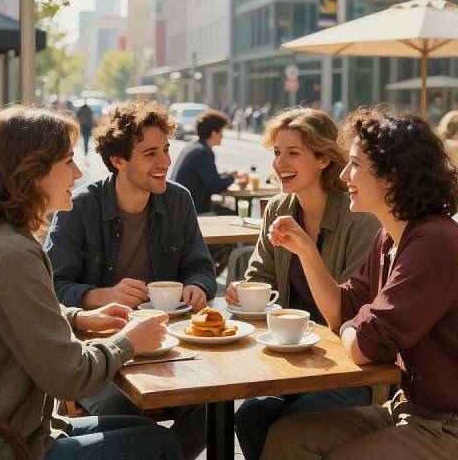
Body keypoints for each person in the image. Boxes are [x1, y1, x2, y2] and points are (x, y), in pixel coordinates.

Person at [0, 105, 182, 460]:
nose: (78, 172)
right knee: (160, 444)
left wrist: (76, 318)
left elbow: (10, 313)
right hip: (0, 445)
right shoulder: (12, 254)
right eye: (68, 162)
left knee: (147, 432)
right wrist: (129, 342)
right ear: (33, 172)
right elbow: (71, 378)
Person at [262, 104, 458, 459]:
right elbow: (344, 311)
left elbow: (361, 345)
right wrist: (307, 251)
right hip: (409, 409)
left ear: (391, 174)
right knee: (287, 436)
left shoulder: (435, 243)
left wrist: (355, 325)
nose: (343, 176)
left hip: (448, 425)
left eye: (355, 165)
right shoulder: (390, 237)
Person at [45, 99, 215, 459]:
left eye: (166, 150)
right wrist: (101, 294)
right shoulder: (79, 207)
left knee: (214, 406)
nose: (165, 162)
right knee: (123, 412)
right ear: (119, 160)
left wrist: (197, 287)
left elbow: (201, 266)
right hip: (99, 352)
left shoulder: (179, 200)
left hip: (168, 347)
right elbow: (51, 290)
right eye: (151, 153)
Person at [225, 107, 380, 460]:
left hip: (348, 368)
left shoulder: (358, 217)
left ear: (324, 159)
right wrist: (244, 293)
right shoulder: (278, 207)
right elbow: (259, 278)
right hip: (289, 359)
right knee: (250, 415)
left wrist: (307, 251)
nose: (280, 163)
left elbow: (355, 308)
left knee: (292, 423)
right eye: (277, 152)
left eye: (293, 153)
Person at [171, 108, 245, 215]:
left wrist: (227, 175)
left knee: (227, 208)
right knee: (235, 215)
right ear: (214, 132)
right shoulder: (203, 152)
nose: (223, 136)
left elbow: (208, 176)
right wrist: (232, 177)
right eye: (221, 131)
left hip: (181, 204)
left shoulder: (193, 145)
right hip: (193, 209)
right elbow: (216, 185)